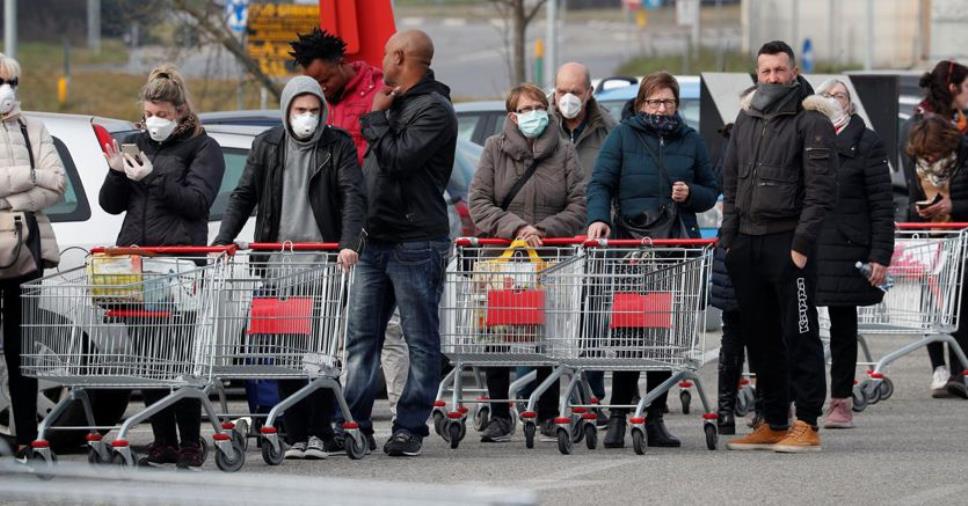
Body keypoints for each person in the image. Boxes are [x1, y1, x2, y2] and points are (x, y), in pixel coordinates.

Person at [213, 76, 366, 459]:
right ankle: (294, 431)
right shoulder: (267, 145)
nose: (307, 118)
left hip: (323, 266)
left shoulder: (337, 145)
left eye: (314, 111)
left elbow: (352, 196)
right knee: (282, 350)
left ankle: (319, 431)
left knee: (318, 353)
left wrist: (348, 244)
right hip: (278, 265)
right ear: (287, 111)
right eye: (300, 110)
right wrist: (223, 240)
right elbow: (244, 193)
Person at [336, 30, 457, 457]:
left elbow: (399, 159)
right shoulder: (396, 104)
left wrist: (374, 118)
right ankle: (355, 424)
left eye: (387, 53)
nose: (381, 60)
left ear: (401, 56)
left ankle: (409, 426)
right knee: (361, 339)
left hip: (416, 242)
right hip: (375, 240)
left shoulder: (434, 110)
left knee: (419, 339)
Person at [99, 64, 225, 468]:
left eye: (163, 115)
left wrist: (154, 179)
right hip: (137, 262)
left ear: (181, 110)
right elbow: (111, 204)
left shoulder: (203, 147)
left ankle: (189, 440)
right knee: (148, 357)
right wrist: (118, 173)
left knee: (178, 356)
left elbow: (197, 202)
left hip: (179, 265)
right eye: (150, 113)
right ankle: (161, 439)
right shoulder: (136, 142)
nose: (155, 122)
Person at [586, 71, 719, 449]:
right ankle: (617, 416)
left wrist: (690, 192)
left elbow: (711, 192)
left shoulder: (691, 140)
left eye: (669, 102)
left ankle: (655, 416)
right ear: (642, 103)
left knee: (662, 336)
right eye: (655, 102)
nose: (662, 109)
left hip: (673, 250)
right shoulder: (623, 136)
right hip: (630, 248)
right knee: (628, 333)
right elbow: (600, 183)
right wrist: (598, 218)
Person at [721, 41, 837, 453]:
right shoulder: (747, 115)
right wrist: (729, 241)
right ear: (757, 73)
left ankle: (806, 422)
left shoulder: (812, 120)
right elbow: (731, 183)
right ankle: (773, 420)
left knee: (800, 333)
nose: (773, 77)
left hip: (789, 244)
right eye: (766, 70)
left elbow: (821, 192)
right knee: (761, 336)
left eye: (780, 70)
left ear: (793, 71)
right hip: (747, 245)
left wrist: (801, 246)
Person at [290, 28, 411, 424]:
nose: (322, 88)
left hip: (379, 226)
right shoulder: (315, 105)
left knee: (389, 330)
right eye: (314, 83)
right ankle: (342, 415)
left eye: (325, 79)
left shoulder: (381, 87)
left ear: (342, 64)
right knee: (341, 331)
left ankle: (401, 414)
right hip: (334, 231)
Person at [468, 83, 586, 442]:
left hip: (548, 260)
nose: (534, 114)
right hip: (502, 260)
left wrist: (542, 231)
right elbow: (479, 202)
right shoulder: (493, 149)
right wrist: (517, 228)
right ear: (512, 116)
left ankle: (549, 413)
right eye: (526, 109)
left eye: (539, 107)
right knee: (498, 337)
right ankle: (501, 413)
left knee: (547, 338)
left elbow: (579, 205)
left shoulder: (564, 152)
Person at [813, 79, 895, 428]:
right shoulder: (807, 135)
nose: (833, 101)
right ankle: (801, 398)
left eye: (839, 96)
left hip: (847, 247)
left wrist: (880, 255)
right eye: (826, 96)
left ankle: (840, 401)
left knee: (843, 326)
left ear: (850, 104)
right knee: (801, 327)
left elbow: (882, 204)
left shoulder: (866, 142)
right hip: (809, 243)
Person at [0, 52, 66, 459]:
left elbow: (57, 185)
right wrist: (28, 178)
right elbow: (41, 180)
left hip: (28, 249)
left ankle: (26, 435)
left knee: (22, 348)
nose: (6, 90)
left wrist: (7, 198)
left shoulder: (34, 129)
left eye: (10, 82)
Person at [549, 62, 617, 416]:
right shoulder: (541, 125)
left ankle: (591, 399)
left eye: (575, 92)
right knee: (544, 320)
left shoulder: (608, 129)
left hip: (592, 241)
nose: (568, 99)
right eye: (562, 92)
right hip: (551, 240)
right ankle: (543, 404)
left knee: (591, 322)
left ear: (589, 92)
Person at [900, 60, 968, 397]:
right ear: (954, 87)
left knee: (958, 301)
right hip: (929, 231)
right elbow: (914, 184)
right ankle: (941, 368)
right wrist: (920, 212)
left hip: (956, 229)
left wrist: (953, 206)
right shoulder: (919, 125)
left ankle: (958, 370)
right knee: (935, 302)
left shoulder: (959, 129)